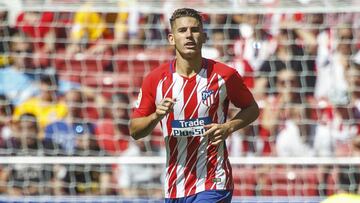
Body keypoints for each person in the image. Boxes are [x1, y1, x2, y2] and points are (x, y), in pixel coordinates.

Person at [129, 8, 259, 202]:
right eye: (182, 31)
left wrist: (228, 127)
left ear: (204, 36)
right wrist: (156, 116)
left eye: (195, 30)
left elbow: (252, 108)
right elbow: (135, 131)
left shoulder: (224, 75)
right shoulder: (156, 80)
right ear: (172, 38)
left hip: (214, 180)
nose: (189, 35)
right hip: (175, 186)